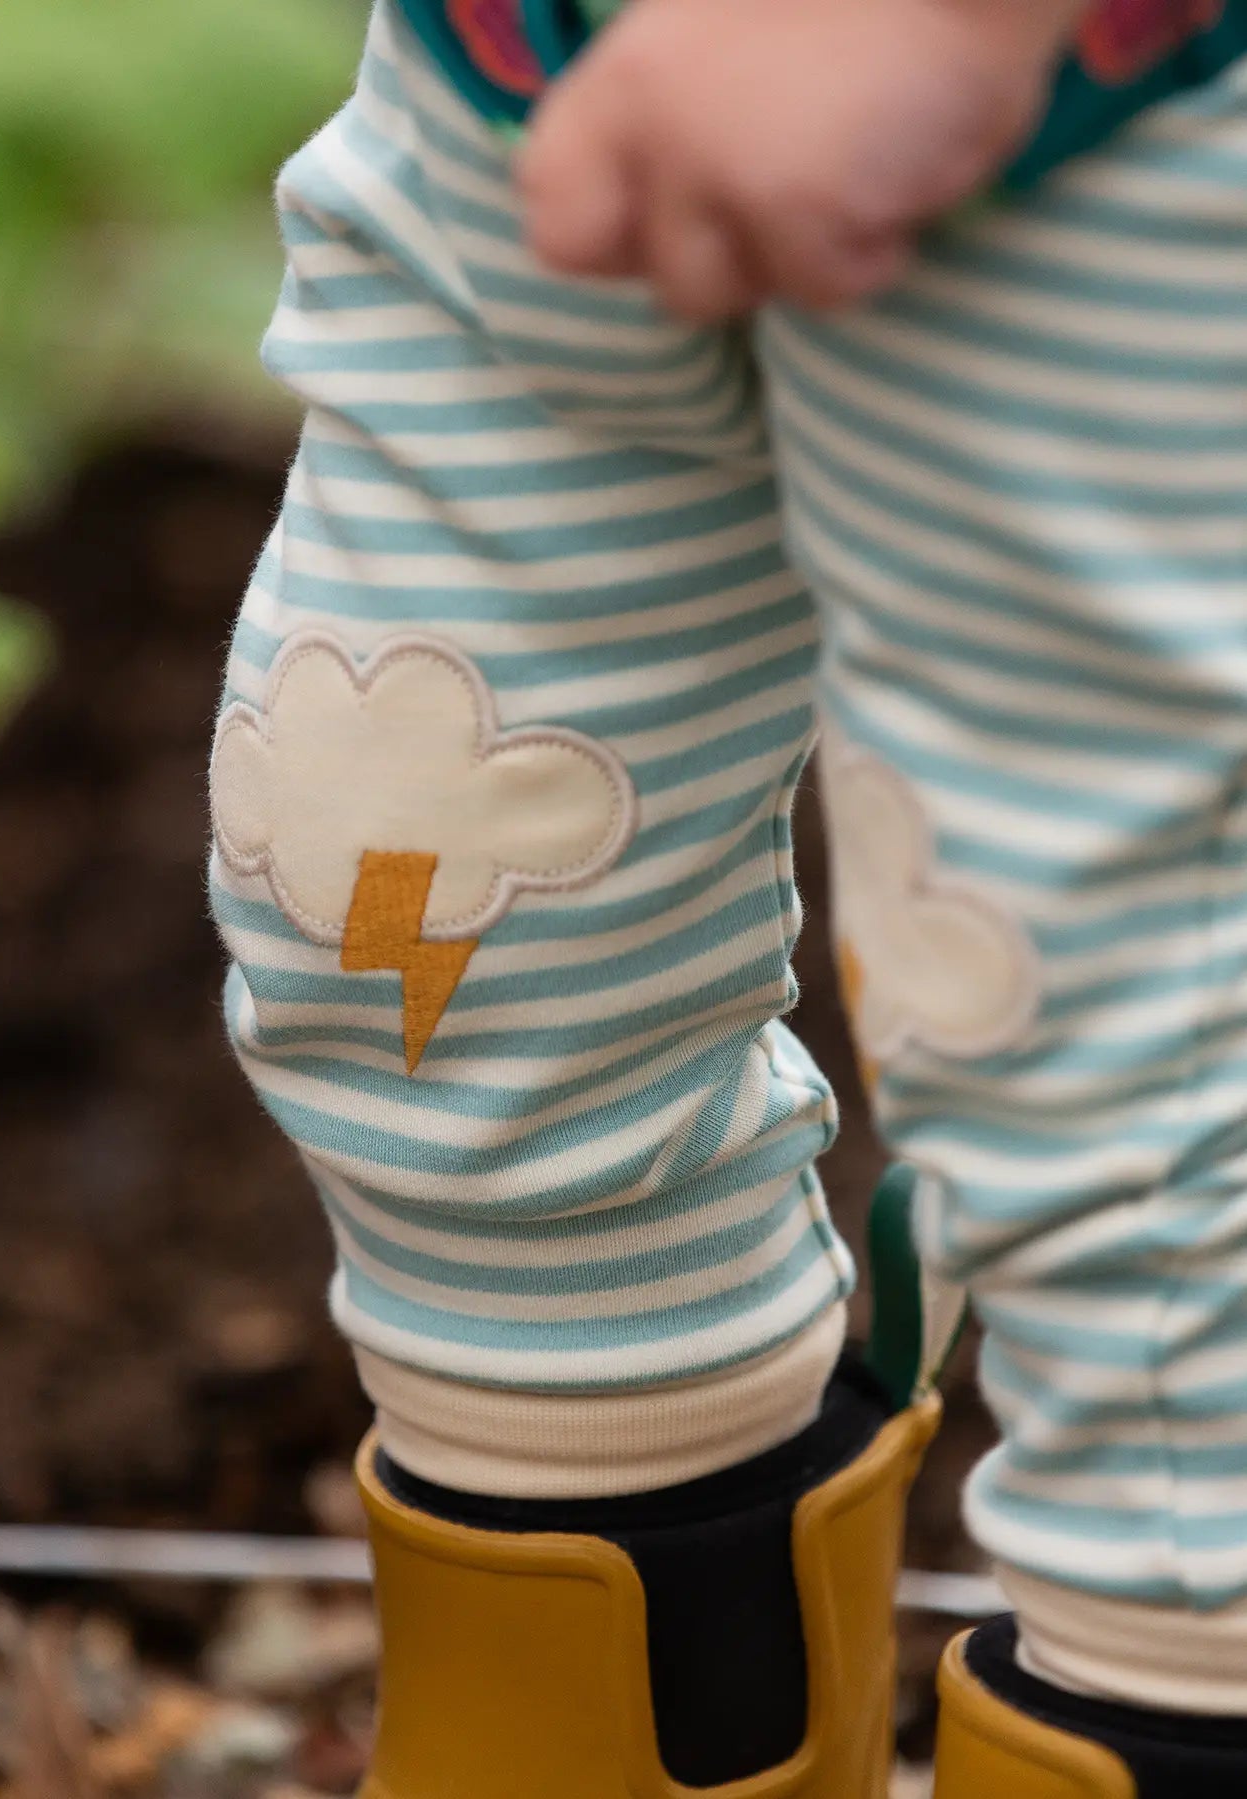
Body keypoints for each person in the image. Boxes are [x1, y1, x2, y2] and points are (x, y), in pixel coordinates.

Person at [208, 1, 1247, 1789]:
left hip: (1102, 149)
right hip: (518, 83)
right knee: (410, 918)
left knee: (1121, 1121)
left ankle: (1176, 1688)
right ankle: (624, 1694)